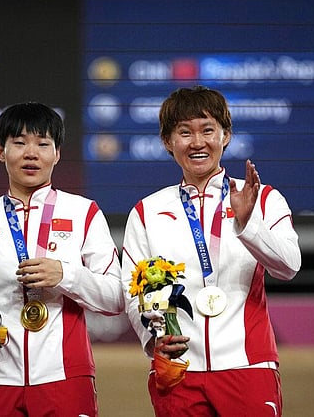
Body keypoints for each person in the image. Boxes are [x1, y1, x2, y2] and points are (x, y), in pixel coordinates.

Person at [121, 86, 301, 416]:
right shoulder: (147, 212)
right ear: (167, 141)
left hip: (248, 365)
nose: (197, 142)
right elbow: (133, 292)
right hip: (177, 368)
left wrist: (249, 224)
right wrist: (154, 336)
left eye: (207, 130)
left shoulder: (261, 198)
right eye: (184, 132)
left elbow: (289, 266)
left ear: (225, 135)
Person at [0, 102, 124, 417]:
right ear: (1, 151)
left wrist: (65, 275)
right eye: (19, 143)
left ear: (57, 153)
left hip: (65, 377)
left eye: (42, 144)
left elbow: (116, 297)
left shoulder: (84, 213)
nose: (31, 153)